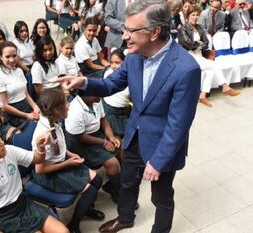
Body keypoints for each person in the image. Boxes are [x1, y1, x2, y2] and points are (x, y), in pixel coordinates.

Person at [55, 0, 201, 232]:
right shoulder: (134, 56)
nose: (124, 36)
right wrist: (82, 82)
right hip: (134, 136)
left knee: (161, 197)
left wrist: (159, 162)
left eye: (131, 31)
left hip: (162, 145)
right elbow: (111, 84)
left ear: (154, 32)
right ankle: (125, 218)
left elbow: (179, 125)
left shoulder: (186, 69)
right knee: (127, 182)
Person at [0, 124, 69, 233]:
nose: (2, 142)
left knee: (63, 231)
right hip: (1, 217)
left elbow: (37, 159)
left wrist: (40, 146)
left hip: (22, 204)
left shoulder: (9, 151)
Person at [32, 89, 105, 233]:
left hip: (61, 164)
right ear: (56, 110)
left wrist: (70, 155)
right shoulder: (42, 134)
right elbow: (40, 169)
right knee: (90, 191)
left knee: (97, 180)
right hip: (49, 174)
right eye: (65, 103)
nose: (69, 105)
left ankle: (85, 209)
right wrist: (67, 163)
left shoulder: (54, 122)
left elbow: (59, 147)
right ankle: (74, 226)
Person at [65, 93, 122, 204]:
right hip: (81, 142)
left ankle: (113, 183)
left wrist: (111, 137)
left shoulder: (95, 100)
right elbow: (80, 137)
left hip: (96, 134)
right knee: (112, 163)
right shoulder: (75, 110)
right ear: (83, 95)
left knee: (121, 147)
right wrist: (105, 142)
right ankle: (117, 191)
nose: (99, 96)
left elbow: (103, 119)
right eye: (95, 93)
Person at [178, 5, 240, 107]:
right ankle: (225, 86)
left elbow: (206, 42)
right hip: (189, 57)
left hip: (199, 56)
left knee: (210, 72)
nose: (195, 17)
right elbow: (188, 44)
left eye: (197, 15)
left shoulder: (199, 27)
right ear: (187, 16)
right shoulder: (183, 29)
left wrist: (198, 43)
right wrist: (199, 43)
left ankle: (202, 95)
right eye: (193, 15)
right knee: (214, 65)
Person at [0, 42, 40, 128]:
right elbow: (5, 106)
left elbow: (26, 95)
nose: (12, 60)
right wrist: (26, 115)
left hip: (26, 107)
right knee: (32, 129)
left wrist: (35, 108)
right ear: (0, 57)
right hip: (12, 114)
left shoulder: (19, 71)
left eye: (14, 56)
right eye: (7, 57)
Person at [102, 48, 130, 137]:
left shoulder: (131, 78)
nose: (113, 66)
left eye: (117, 63)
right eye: (112, 62)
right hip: (110, 111)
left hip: (123, 111)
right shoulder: (108, 73)